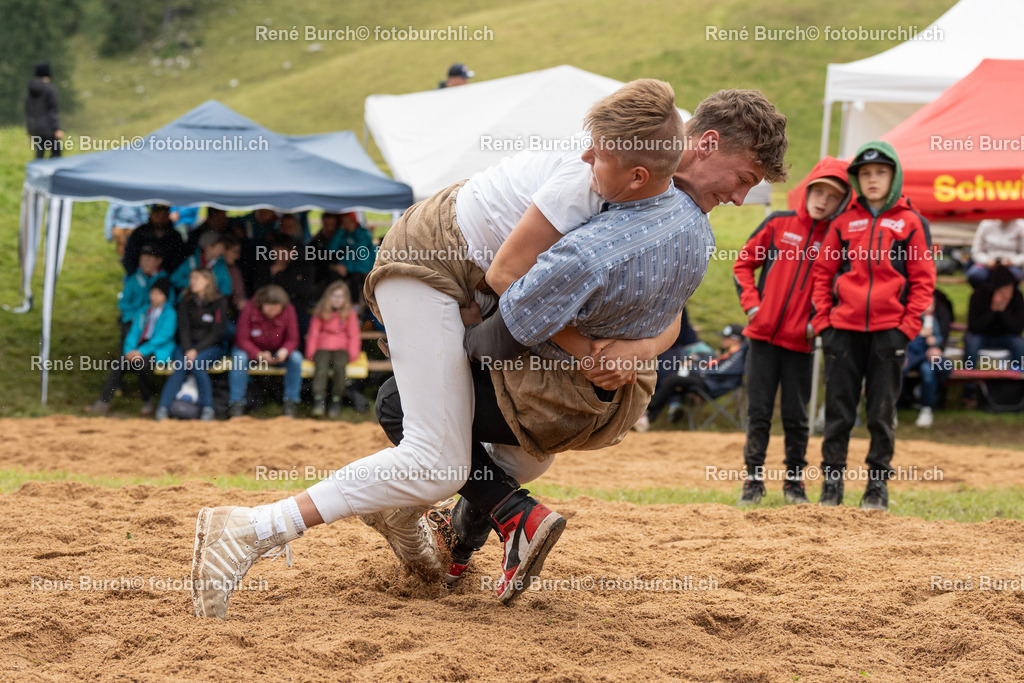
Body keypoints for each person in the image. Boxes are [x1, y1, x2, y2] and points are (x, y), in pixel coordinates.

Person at [189, 83, 788, 617]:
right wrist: (587, 352)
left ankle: (409, 515)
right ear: (705, 143)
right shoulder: (609, 163)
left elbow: (667, 301)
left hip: (488, 284)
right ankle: (249, 529)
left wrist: (637, 348)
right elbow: (507, 275)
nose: (741, 197)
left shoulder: (662, 187)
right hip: (434, 261)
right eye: (744, 179)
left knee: (522, 454)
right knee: (437, 457)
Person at [810, 141, 936, 511]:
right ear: (857, 179)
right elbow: (823, 273)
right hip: (842, 332)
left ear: (894, 176)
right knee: (838, 412)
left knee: (881, 414)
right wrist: (823, 322)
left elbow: (923, 280)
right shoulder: (844, 222)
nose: (873, 179)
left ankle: (876, 489)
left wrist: (907, 327)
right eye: (865, 174)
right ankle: (831, 488)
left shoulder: (912, 223)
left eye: (880, 172)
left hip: (889, 333)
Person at [732, 157, 850, 506]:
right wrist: (754, 307)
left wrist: (818, 324)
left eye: (833, 196)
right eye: (819, 191)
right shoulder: (778, 223)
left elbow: (843, 288)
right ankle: (752, 483)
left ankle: (794, 483)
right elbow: (743, 264)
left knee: (797, 418)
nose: (823, 200)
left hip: (802, 344)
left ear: (841, 202)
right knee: (759, 413)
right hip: (762, 338)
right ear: (809, 189)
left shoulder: (837, 239)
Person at [85, 279, 176, 416]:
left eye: (159, 294)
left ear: (166, 297)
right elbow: (133, 333)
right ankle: (103, 402)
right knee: (120, 363)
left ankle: (147, 400)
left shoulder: (170, 313)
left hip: (158, 350)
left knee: (142, 364)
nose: (154, 296)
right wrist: (129, 351)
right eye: (153, 293)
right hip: (138, 349)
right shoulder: (144, 310)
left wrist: (140, 351)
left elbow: (163, 337)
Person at [636, 323, 748, 431]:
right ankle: (648, 417)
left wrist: (696, 371)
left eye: (726, 338)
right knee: (675, 383)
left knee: (673, 380)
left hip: (712, 384)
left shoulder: (738, 353)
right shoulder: (731, 352)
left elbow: (721, 371)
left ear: (735, 339)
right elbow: (715, 366)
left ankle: (645, 414)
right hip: (709, 380)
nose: (723, 340)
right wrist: (695, 363)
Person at [155, 269, 228, 422]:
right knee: (180, 366)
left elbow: (217, 332)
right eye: (191, 278)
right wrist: (188, 349)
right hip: (187, 346)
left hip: (210, 347)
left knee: (198, 365)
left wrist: (196, 350)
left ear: (207, 281)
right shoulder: (186, 299)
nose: (192, 281)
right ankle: (163, 408)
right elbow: (184, 328)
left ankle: (207, 409)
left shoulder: (219, 301)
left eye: (196, 278)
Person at [228, 285, 303, 418]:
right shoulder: (249, 309)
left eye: (276, 309)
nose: (272, 313)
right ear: (261, 304)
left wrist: (284, 351)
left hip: (277, 352)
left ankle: (290, 403)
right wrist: (258, 354)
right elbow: (242, 339)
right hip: (251, 352)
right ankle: (236, 404)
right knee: (239, 358)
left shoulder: (289, 310)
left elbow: (293, 339)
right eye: (269, 309)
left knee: (296, 358)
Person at [306, 281, 362, 418]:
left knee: (339, 368)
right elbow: (313, 333)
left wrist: (353, 354)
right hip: (322, 347)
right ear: (328, 297)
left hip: (341, 348)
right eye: (334, 296)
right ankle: (319, 400)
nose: (337, 300)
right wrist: (311, 352)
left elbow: (354, 335)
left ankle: (336, 400)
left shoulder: (350, 314)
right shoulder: (320, 311)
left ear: (346, 299)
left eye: (341, 296)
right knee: (321, 369)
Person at [963, 265, 1024, 372]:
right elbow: (974, 327)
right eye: (1003, 289)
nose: (1006, 293)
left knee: (1019, 344)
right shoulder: (979, 296)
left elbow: (1017, 328)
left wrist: (1003, 311)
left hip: (1006, 336)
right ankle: (969, 381)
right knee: (971, 341)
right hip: (981, 335)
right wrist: (992, 310)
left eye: (1009, 288)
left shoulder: (1017, 297)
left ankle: (1017, 378)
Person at [903, 295, 952, 428]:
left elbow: (939, 337)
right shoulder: (910, 318)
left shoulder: (935, 319)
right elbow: (904, 339)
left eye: (931, 304)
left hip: (927, 357)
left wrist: (936, 344)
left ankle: (927, 409)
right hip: (912, 355)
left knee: (928, 372)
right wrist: (919, 334)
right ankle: (891, 410)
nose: (928, 307)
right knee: (899, 370)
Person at [122, 205, 187, 276]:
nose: (161, 219)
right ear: (151, 215)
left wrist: (165, 277)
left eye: (164, 215)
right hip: (138, 274)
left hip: (165, 277)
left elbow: (179, 260)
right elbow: (129, 257)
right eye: (158, 215)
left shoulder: (175, 236)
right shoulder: (139, 233)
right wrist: (136, 275)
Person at [327, 212, 375, 307]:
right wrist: (340, 231)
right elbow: (332, 249)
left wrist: (345, 266)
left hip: (362, 269)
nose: (345, 223)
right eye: (343, 221)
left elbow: (359, 252)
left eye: (347, 220)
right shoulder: (343, 234)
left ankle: (356, 308)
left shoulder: (363, 234)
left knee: (355, 280)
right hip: (350, 269)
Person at [171, 231, 232, 299]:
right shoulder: (191, 261)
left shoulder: (221, 265)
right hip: (188, 301)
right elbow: (174, 279)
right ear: (209, 247)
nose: (222, 252)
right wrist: (194, 282)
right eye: (220, 248)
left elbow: (226, 289)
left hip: (211, 304)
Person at [966, 219, 1024, 287]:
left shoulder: (1020, 225)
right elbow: (976, 251)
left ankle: (1011, 296)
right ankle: (983, 295)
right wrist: (987, 261)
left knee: (1012, 276)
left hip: (1011, 265)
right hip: (987, 264)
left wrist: (1012, 261)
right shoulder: (986, 224)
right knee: (975, 275)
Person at [25, 61, 63, 159]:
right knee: (56, 153)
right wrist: (56, 129)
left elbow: (28, 112)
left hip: (36, 129)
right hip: (48, 128)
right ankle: (51, 173)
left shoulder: (31, 91)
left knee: (39, 154)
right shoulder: (50, 89)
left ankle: (37, 173)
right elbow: (52, 110)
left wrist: (30, 131)